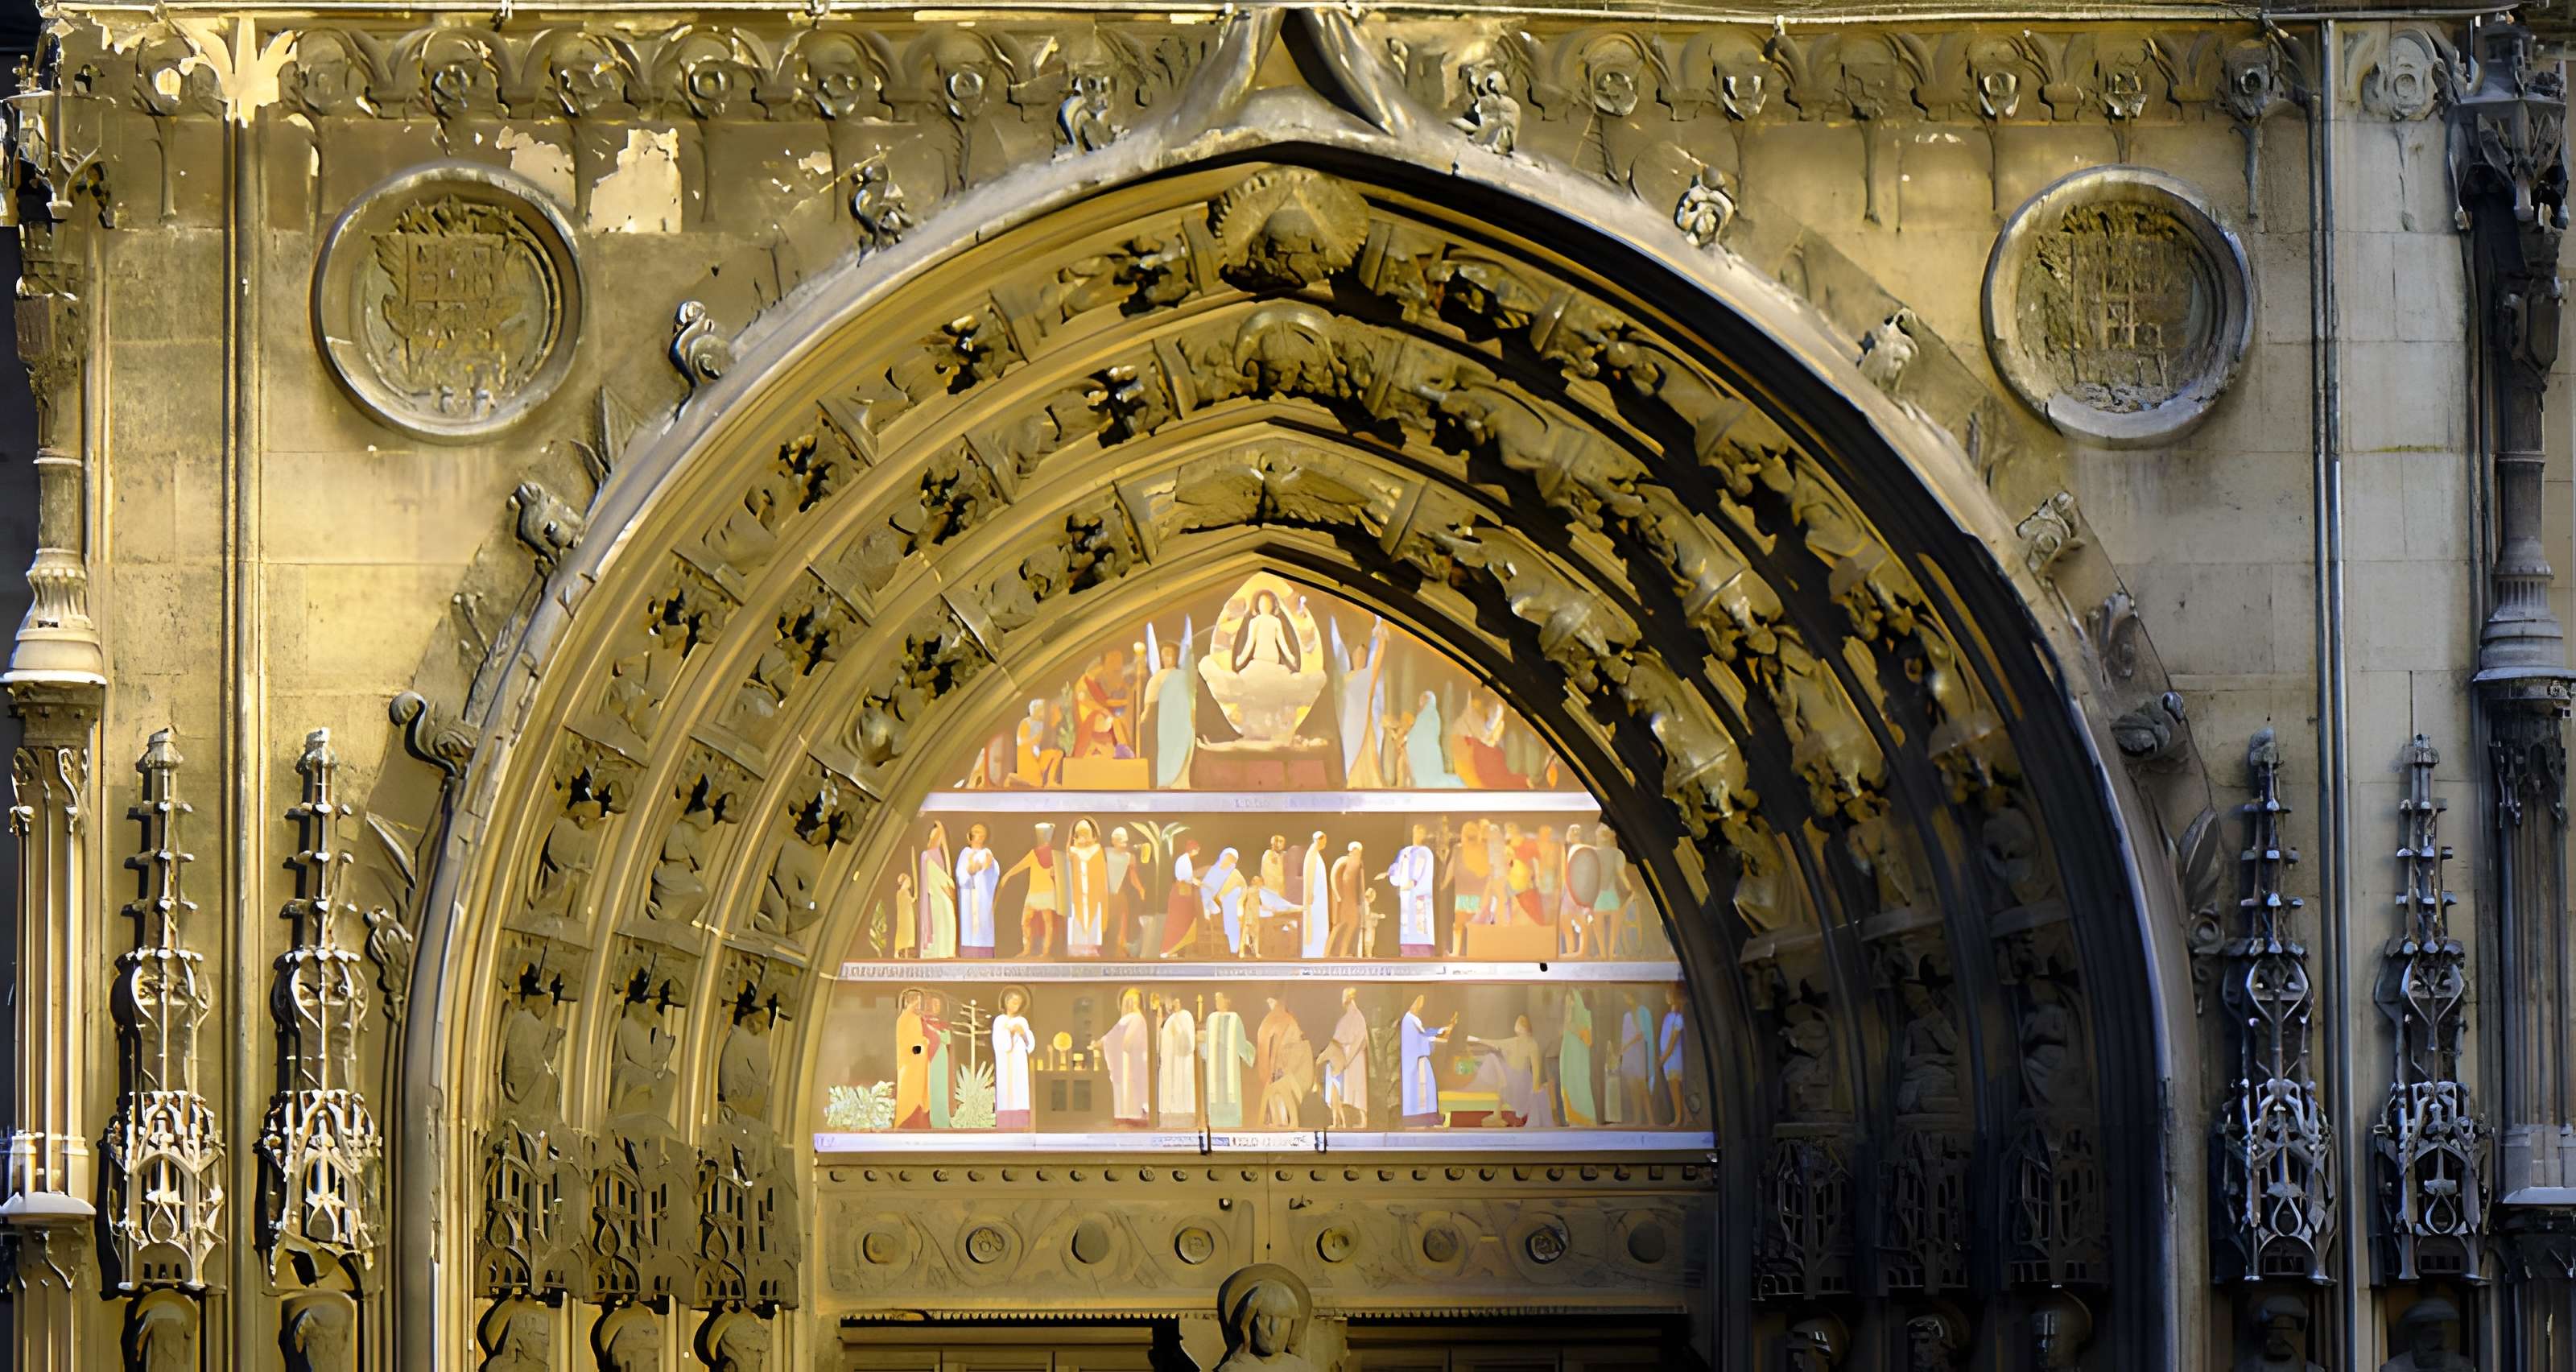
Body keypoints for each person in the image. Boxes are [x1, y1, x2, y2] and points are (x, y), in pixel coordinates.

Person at [1212, 1265, 1316, 1372]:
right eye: (1266, 1317)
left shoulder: (1301, 1368)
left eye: (1283, 1318)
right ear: (1250, 1321)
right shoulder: (1235, 1369)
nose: (1274, 1328)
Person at [1466, 1013, 1551, 1126]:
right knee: (1494, 1062)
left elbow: (1536, 1066)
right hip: (1513, 1077)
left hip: (1522, 1080)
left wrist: (1535, 1086)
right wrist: (1477, 1039)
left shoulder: (1531, 1044)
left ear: (1523, 1027)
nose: (1516, 1026)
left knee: (1499, 1072)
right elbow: (1495, 1043)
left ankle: (1505, 1115)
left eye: (1518, 1023)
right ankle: (1498, 1115)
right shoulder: (1515, 1041)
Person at [1000, 823, 1062, 960]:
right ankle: (1027, 949)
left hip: (1047, 891)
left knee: (1048, 922)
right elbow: (1020, 865)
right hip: (1033, 892)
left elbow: (1060, 874)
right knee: (1025, 921)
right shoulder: (1035, 853)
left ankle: (1045, 952)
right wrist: (1007, 875)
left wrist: (1055, 872)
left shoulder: (1054, 854)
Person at [1145, 629, 1196, 788]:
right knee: (1168, 751)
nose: (1166, 657)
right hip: (1168, 721)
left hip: (1183, 720)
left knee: (1185, 748)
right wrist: (1145, 712)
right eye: (1163, 654)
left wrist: (1193, 716)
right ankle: (1167, 781)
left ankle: (1181, 783)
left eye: (1169, 653)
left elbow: (1191, 697)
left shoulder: (1182, 676)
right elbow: (1151, 695)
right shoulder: (1159, 676)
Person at [1399, 994, 1456, 1127]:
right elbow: (1417, 1041)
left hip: (1419, 1063)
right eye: (1418, 1001)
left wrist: (1440, 1031)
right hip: (1414, 1065)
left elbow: (1423, 1034)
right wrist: (1435, 1039)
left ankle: (1429, 1117)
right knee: (1417, 1094)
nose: (1420, 1005)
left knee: (1426, 1091)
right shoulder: (1408, 1020)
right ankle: (1421, 1119)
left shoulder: (1413, 1020)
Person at [1097, 988, 1151, 1127]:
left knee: (1132, 1091)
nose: (1130, 1004)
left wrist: (1109, 1043)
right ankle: (1124, 1115)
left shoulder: (1138, 1018)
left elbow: (1128, 1042)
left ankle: (1133, 1116)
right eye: (1128, 1001)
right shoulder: (1125, 1019)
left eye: (1133, 1001)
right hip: (1123, 1063)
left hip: (1133, 1062)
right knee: (1124, 1091)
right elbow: (1111, 1036)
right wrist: (1102, 1042)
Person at [1202, 990, 1254, 1128]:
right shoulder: (1211, 1019)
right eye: (1216, 999)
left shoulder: (1235, 1019)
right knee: (1216, 1093)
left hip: (1229, 1063)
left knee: (1230, 1093)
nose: (1217, 1002)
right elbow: (1207, 1042)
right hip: (1216, 1065)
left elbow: (1240, 1042)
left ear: (1227, 1001)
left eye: (1220, 999)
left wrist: (1249, 1051)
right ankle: (1216, 1123)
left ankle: (1232, 1124)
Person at [1320, 987, 1370, 1128]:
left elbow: (1360, 1038)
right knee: (1348, 1088)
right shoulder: (1347, 1018)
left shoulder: (1358, 1016)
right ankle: (1345, 1120)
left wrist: (1349, 1055)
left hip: (1355, 1057)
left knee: (1358, 1088)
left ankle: (1363, 1119)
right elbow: (1338, 1039)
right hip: (1347, 1056)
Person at [1386, 825, 1437, 957]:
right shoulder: (1405, 852)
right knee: (1406, 929)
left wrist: (1412, 882)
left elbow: (1418, 872)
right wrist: (1392, 873)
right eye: (1417, 830)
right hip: (1406, 898)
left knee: (1420, 927)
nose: (1419, 834)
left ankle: (1423, 956)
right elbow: (1396, 870)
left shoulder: (1425, 852)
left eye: (1422, 831)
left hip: (1420, 897)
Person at [1073, 649, 1133, 758]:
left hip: (1111, 746)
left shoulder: (1123, 687)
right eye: (1112, 662)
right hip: (1090, 745)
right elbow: (1088, 703)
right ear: (1103, 665)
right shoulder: (1086, 684)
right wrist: (1104, 709)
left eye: (1119, 664)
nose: (1117, 667)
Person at [1063, 817, 1108, 958]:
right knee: (1076, 930)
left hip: (1094, 899)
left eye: (1086, 833)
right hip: (1076, 900)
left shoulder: (1097, 851)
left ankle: (1092, 952)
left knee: (1093, 930)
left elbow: (1102, 878)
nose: (1083, 837)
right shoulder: (1071, 852)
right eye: (1080, 833)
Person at [992, 987, 1036, 1130]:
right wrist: (1009, 1034)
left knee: (1019, 1092)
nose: (1014, 1005)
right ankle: (1005, 1126)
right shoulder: (1000, 1020)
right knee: (1006, 1093)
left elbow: (1030, 1044)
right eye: (1012, 1001)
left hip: (1019, 1061)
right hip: (1005, 1061)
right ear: (1006, 1002)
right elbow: (1000, 1043)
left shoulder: (1022, 1021)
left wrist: (1022, 1033)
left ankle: (1021, 1125)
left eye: (1017, 1003)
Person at [955, 824, 999, 958]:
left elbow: (992, 871)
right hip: (969, 897)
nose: (979, 835)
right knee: (969, 930)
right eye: (976, 832)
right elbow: (961, 874)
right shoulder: (965, 853)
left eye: (982, 833)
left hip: (983, 897)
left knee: (983, 927)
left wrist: (983, 866)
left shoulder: (987, 853)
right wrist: (970, 871)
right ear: (970, 835)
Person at [1405, 690, 1466, 787]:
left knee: (1433, 778)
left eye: (1423, 701)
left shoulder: (1430, 714)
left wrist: (1411, 738)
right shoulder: (1428, 715)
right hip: (1424, 751)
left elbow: (1424, 732)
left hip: (1429, 751)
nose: (1421, 704)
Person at [894, 989, 935, 1129]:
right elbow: (906, 1044)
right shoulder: (904, 1019)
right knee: (908, 1094)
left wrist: (923, 1043)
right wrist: (922, 1046)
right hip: (908, 1065)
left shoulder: (916, 1018)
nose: (918, 1005)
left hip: (919, 1064)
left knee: (920, 1093)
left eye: (919, 1001)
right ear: (909, 1002)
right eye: (915, 1001)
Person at [1157, 994, 1199, 1128]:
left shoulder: (1186, 1016)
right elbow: (1162, 1044)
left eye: (1174, 1001)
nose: (1171, 1004)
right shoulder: (1170, 1019)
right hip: (1169, 1063)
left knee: (1181, 1091)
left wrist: (1178, 1032)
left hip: (1181, 1064)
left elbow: (1188, 1045)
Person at [1448, 821, 1489, 957]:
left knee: (1466, 926)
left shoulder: (1482, 848)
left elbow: (1451, 870)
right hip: (1468, 893)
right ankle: (1459, 953)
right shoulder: (1459, 849)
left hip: (1474, 894)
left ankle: (1465, 953)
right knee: (1462, 925)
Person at [918, 823, 959, 959]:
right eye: (937, 836)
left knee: (948, 923)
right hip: (938, 897)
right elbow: (939, 877)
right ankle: (939, 953)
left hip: (943, 897)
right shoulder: (928, 855)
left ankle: (946, 952)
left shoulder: (938, 855)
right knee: (942, 923)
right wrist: (949, 886)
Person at [1106, 825, 1146, 957]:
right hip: (1106, 894)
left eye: (1124, 840)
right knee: (1108, 923)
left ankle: (1120, 949)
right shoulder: (1106, 853)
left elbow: (1133, 877)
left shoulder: (1130, 857)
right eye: (1119, 839)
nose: (1123, 843)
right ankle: (1109, 950)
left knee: (1122, 921)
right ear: (1113, 840)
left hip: (1120, 895)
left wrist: (1140, 889)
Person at [1160, 838, 1203, 957]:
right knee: (1178, 922)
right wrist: (1198, 883)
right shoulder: (1184, 860)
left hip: (1184, 893)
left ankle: (1175, 950)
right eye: (1197, 849)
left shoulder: (1186, 860)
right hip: (1181, 894)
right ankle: (1168, 950)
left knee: (1184, 923)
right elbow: (1185, 879)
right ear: (1193, 849)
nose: (1198, 852)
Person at [1559, 991, 1598, 1126]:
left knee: (1580, 1087)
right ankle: (1573, 1120)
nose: (1567, 1008)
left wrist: (1573, 1028)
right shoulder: (1566, 1026)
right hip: (1568, 1059)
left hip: (1579, 1061)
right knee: (1567, 1085)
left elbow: (1589, 1040)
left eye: (1570, 1004)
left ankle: (1585, 1119)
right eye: (1566, 1005)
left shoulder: (1586, 1016)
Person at [1011, 698, 1065, 787]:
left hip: (1039, 756)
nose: (1043, 712)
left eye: (1044, 709)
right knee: (1035, 780)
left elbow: (1056, 719)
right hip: (1027, 756)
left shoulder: (1044, 724)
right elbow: (1023, 742)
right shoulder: (1026, 722)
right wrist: (1036, 740)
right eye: (1041, 709)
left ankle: (1050, 781)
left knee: (1057, 753)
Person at [1327, 841, 1366, 958]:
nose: (1358, 853)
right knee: (1340, 925)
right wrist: (1338, 895)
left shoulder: (1359, 863)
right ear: (1352, 850)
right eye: (1356, 851)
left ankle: (1343, 953)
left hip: (1353, 899)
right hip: (1344, 899)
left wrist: (1362, 898)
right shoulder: (1344, 860)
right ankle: (1327, 952)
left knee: (1352, 925)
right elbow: (1334, 876)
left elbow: (1360, 883)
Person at [1298, 831, 1331, 959]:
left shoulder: (1316, 854)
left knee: (1322, 927)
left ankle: (1319, 953)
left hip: (1320, 897)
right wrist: (1310, 893)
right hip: (1315, 899)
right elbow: (1309, 875)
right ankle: (1312, 954)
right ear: (1320, 840)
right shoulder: (1311, 853)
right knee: (1317, 926)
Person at [1659, 988, 1689, 1126]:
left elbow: (1672, 1041)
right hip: (1667, 1056)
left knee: (1676, 1086)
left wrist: (1663, 1058)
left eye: (1668, 993)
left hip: (1673, 1056)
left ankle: (1679, 1118)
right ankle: (1684, 1116)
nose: (1666, 995)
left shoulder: (1678, 1018)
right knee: (1673, 1087)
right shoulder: (1668, 1017)